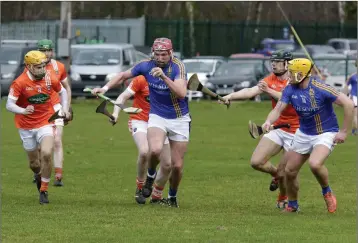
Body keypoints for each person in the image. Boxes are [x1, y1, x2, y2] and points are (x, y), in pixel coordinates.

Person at [91, 37, 190, 208]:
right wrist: (105, 88)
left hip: (179, 118)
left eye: (164, 55)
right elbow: (123, 75)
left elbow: (181, 93)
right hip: (157, 115)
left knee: (177, 166)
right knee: (154, 150)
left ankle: (172, 198)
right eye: (157, 54)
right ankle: (149, 179)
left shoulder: (178, 67)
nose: (160, 58)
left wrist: (164, 77)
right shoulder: (146, 65)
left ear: (170, 53)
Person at [262, 58, 354, 213]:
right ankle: (292, 205)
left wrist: (344, 131)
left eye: (291, 73)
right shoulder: (289, 89)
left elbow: (349, 104)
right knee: (290, 171)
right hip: (303, 133)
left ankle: (327, 192)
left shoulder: (320, 88)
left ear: (301, 74)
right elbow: (278, 110)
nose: (288, 76)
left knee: (315, 164)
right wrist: (267, 121)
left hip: (325, 132)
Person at [221, 50, 300, 208]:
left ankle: (284, 199)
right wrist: (230, 96)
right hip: (277, 127)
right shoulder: (270, 79)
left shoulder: (295, 80)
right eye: (272, 61)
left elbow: (289, 99)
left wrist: (268, 91)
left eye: (277, 61)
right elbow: (250, 91)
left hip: (297, 130)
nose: (273, 64)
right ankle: (276, 174)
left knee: (288, 171)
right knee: (256, 162)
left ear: (287, 63)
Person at [6, 50, 71, 204]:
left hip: (46, 121)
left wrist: (65, 109)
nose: (42, 69)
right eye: (38, 67)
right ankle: (38, 175)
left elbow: (62, 92)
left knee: (47, 153)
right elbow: (9, 104)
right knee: (34, 164)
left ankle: (44, 190)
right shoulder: (20, 82)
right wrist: (23, 110)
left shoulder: (49, 78)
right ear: (28, 67)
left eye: (43, 66)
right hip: (26, 126)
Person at [110, 75, 172, 205]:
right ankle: (140, 186)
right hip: (139, 121)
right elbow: (122, 97)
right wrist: (115, 113)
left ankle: (156, 194)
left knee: (167, 164)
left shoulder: (170, 80)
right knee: (144, 151)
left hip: (161, 123)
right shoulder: (141, 79)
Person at [343, 60, 357, 135]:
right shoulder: (353, 76)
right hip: (354, 96)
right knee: (355, 115)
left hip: (354, 96)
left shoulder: (352, 76)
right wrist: (344, 96)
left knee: (355, 115)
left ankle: (354, 130)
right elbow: (346, 85)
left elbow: (346, 86)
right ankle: (355, 130)